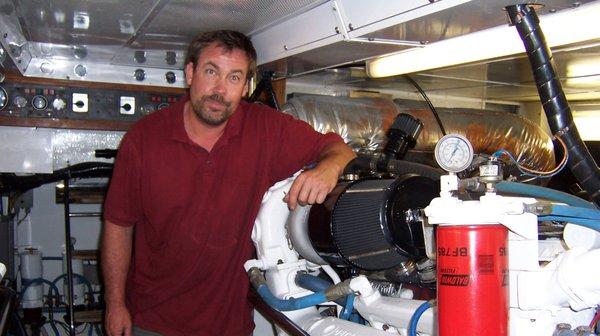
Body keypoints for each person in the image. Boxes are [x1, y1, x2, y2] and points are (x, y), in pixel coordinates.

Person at [101, 30, 355, 336]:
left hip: (228, 324)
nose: (220, 90)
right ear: (190, 73)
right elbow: (118, 226)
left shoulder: (264, 129)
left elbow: (337, 147)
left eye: (234, 78)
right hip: (153, 319)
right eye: (211, 72)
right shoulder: (143, 140)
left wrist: (329, 167)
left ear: (246, 87)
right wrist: (114, 304)